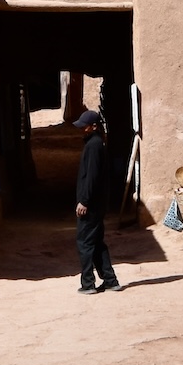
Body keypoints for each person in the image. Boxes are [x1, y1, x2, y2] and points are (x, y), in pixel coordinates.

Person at [73, 109, 121, 294]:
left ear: (93, 126)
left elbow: (91, 177)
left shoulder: (93, 146)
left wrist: (84, 201)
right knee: (97, 243)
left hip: (91, 205)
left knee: (85, 243)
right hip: (98, 204)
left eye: (84, 127)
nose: (82, 130)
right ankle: (110, 280)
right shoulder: (97, 143)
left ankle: (88, 283)